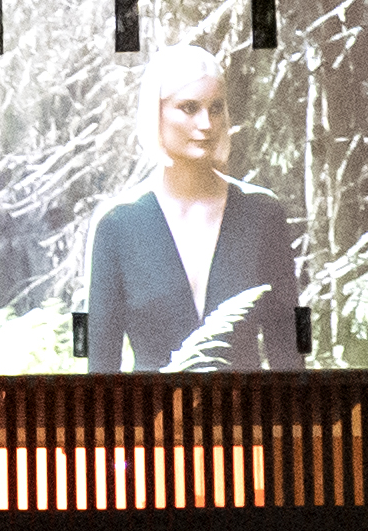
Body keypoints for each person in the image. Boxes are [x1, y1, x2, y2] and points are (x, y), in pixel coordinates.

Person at [82, 49, 306, 368]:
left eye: (216, 108)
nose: (206, 124)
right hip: (151, 416)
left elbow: (287, 353)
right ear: (155, 112)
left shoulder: (261, 213)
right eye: (189, 108)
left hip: (247, 415)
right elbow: (101, 366)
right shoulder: (118, 223)